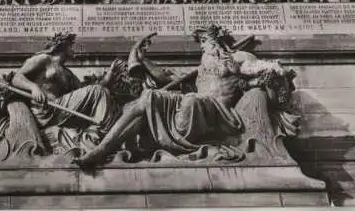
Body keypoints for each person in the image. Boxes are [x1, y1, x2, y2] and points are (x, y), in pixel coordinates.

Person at [74, 25, 296, 166]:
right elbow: (166, 78)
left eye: (206, 43)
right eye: (202, 45)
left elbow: (270, 72)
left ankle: (105, 149)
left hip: (219, 112)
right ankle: (102, 150)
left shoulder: (238, 58)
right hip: (195, 104)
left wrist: (273, 75)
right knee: (148, 96)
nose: (203, 48)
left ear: (216, 42)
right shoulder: (200, 68)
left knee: (191, 100)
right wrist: (142, 59)